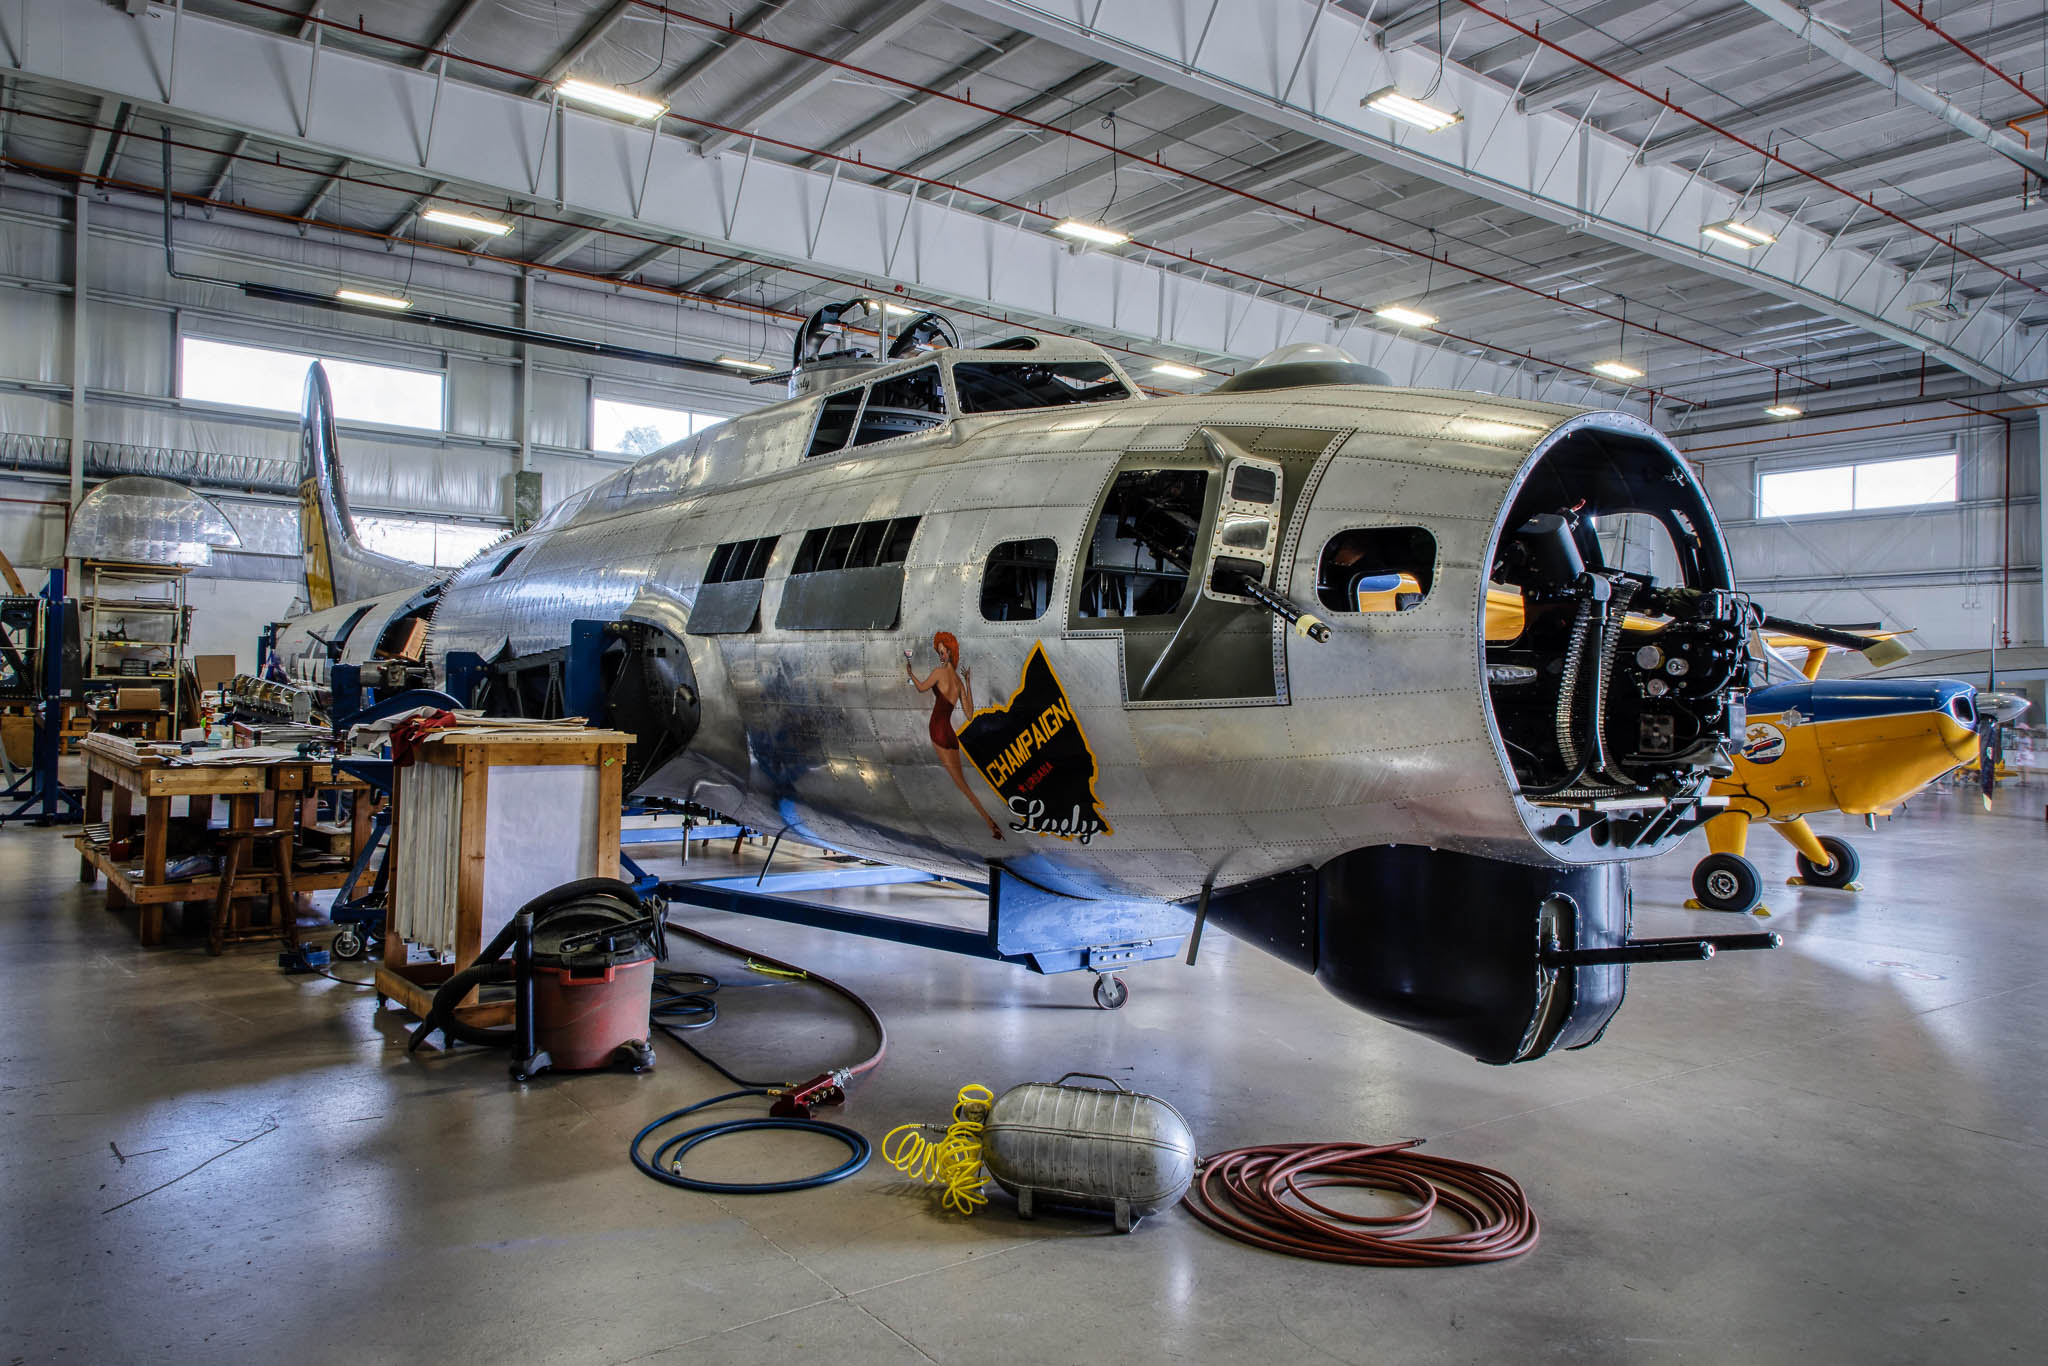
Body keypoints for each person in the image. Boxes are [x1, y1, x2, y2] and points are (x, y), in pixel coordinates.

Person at [907, 631, 1003, 840]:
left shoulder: (939, 674)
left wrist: (910, 673)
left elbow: (922, 688)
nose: (941, 656)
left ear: (950, 652)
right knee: (963, 785)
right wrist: (968, 682)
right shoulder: (958, 682)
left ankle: (990, 823)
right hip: (950, 734)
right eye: (939, 652)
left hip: (937, 730)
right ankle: (990, 822)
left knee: (961, 785)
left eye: (942, 652)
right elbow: (969, 715)